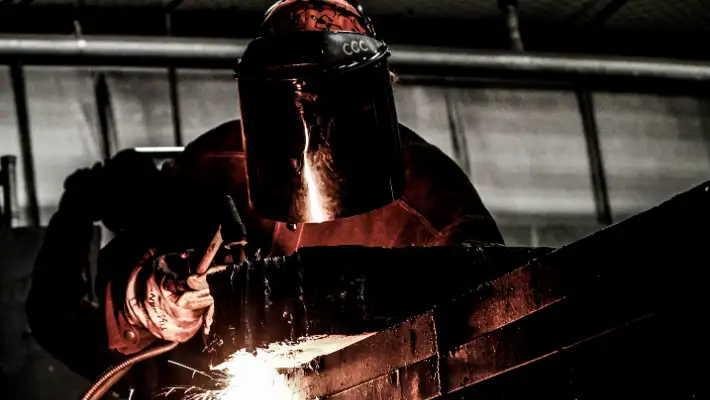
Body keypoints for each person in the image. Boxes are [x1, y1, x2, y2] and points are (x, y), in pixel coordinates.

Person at [26, 0, 504, 398]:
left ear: (372, 97)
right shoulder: (217, 163)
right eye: (290, 113)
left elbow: (498, 313)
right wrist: (145, 299)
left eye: (326, 113)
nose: (307, 138)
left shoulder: (431, 202)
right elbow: (129, 243)